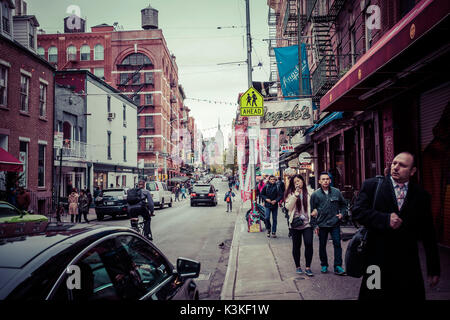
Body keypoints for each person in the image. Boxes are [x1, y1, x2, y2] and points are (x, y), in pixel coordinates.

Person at [352, 152, 440, 300]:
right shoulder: (373, 186)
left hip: (407, 263)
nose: (396, 167)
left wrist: (433, 268)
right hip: (376, 261)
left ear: (412, 171)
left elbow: (428, 233)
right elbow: (358, 213)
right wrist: (385, 219)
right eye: (394, 163)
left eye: (402, 165)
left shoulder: (421, 195)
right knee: (373, 296)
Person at [310, 172, 347, 275]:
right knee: (322, 245)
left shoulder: (336, 192)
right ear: (319, 181)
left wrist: (342, 214)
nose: (325, 181)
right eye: (323, 179)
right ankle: (324, 265)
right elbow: (312, 212)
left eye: (327, 179)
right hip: (322, 224)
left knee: (337, 244)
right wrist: (315, 226)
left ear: (330, 181)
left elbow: (344, 205)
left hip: (334, 223)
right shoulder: (315, 195)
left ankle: (338, 266)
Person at [284, 175, 314, 277]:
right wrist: (295, 195)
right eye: (295, 181)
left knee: (309, 243)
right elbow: (288, 207)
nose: (297, 183)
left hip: (307, 223)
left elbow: (315, 205)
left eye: (299, 181)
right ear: (293, 183)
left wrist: (315, 211)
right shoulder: (290, 194)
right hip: (295, 224)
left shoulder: (310, 192)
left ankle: (308, 267)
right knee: (296, 246)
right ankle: (298, 266)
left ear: (303, 181)